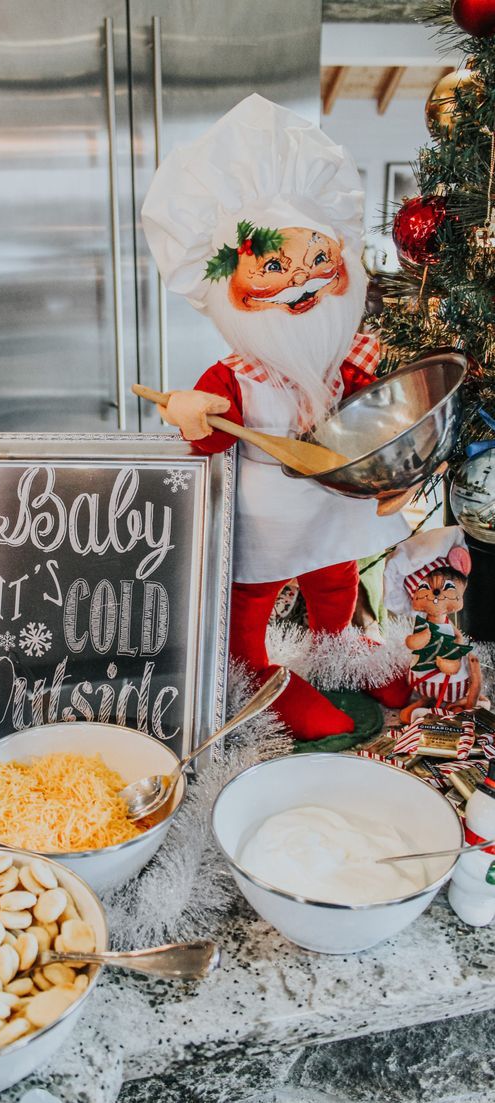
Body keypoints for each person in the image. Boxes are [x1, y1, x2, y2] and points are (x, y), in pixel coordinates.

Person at [142, 94, 410, 739]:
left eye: (319, 258)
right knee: (253, 596)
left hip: (335, 493)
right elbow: (206, 443)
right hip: (267, 511)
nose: (302, 279)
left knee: (335, 571)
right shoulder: (234, 376)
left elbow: (380, 413)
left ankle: (336, 646)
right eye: (272, 267)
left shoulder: (342, 360)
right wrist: (194, 415)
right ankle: (253, 670)